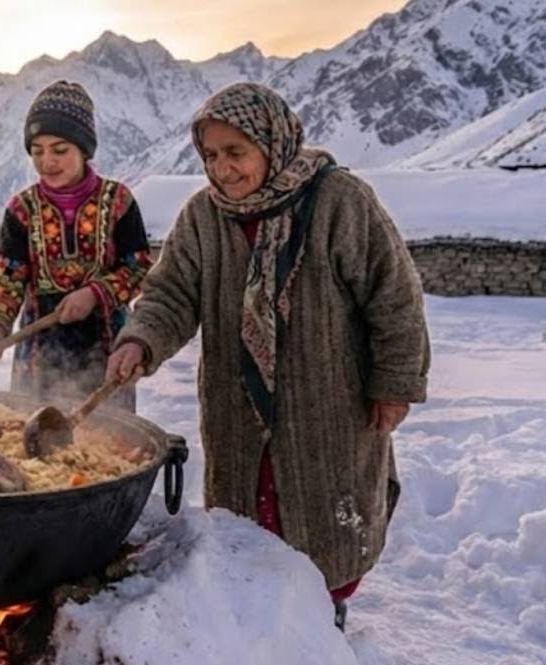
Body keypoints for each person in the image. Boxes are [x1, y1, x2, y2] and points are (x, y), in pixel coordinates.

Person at [106, 82, 430, 630]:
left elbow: (392, 293)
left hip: (329, 404)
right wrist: (142, 339)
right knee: (248, 520)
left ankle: (324, 620)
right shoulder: (203, 217)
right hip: (238, 405)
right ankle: (260, 630)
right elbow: (171, 293)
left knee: (323, 514)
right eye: (210, 155)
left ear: (272, 142)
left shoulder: (338, 202)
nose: (222, 170)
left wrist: (395, 381)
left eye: (236, 153)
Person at [0, 80, 151, 408]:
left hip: (107, 347)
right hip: (39, 351)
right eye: (37, 151)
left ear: (84, 149)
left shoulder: (118, 201)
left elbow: (138, 266)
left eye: (59, 149)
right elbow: (6, 277)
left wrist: (95, 293)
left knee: (109, 443)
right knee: (35, 439)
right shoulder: (21, 209)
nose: (46, 161)